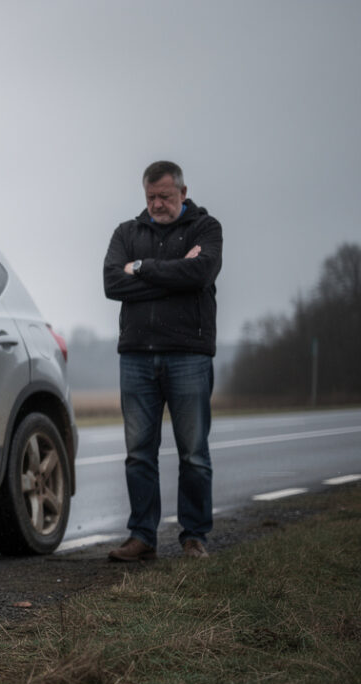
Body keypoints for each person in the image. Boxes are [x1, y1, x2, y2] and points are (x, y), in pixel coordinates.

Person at [102, 161, 223, 561]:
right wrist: (173, 278)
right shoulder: (126, 232)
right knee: (139, 452)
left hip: (189, 354)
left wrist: (143, 269)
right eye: (151, 197)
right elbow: (112, 283)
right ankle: (142, 537)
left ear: (183, 194)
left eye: (165, 197)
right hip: (136, 356)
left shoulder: (206, 229)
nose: (157, 204)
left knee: (193, 452)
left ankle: (194, 538)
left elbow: (201, 273)